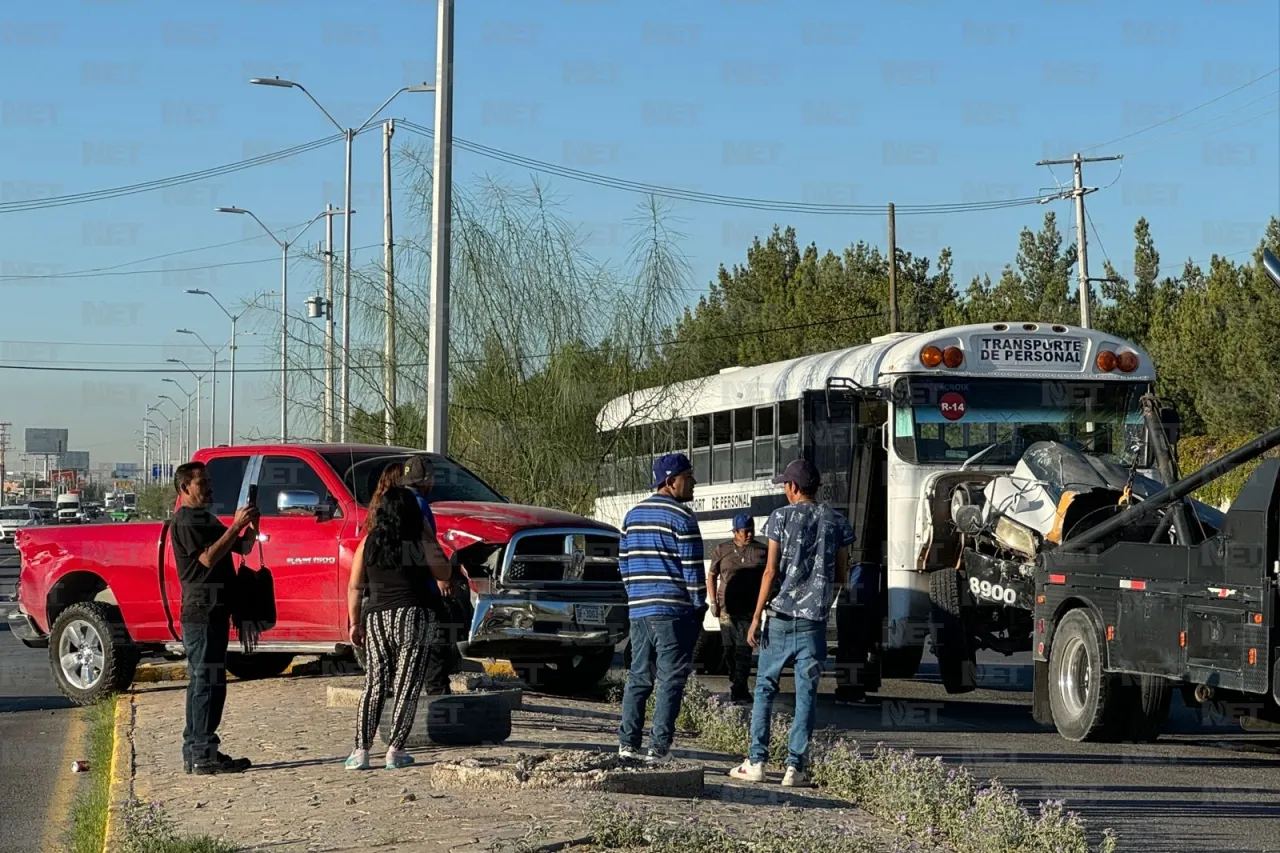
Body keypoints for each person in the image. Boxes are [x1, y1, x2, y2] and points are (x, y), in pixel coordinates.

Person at [729, 458, 854, 788]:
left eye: (785, 484)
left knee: (765, 688)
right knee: (806, 694)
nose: (785, 490)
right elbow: (841, 575)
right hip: (814, 623)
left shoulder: (780, 518)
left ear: (794, 488)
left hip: (781, 618)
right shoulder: (837, 522)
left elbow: (770, 572)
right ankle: (794, 769)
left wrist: (756, 617)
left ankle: (756, 761)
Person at [345, 486, 452, 770]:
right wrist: (429, 534)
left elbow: (355, 586)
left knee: (375, 684)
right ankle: (395, 749)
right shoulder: (418, 540)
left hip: (377, 617)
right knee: (407, 684)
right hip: (416, 615)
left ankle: (360, 750)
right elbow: (444, 573)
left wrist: (354, 621)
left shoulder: (369, 541)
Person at [170, 461, 260, 775]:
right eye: (202, 483)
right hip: (201, 613)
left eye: (208, 481)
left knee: (208, 683)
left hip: (216, 611)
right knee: (206, 684)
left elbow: (241, 547)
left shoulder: (204, 518)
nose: (209, 487)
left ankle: (199, 749)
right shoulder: (185, 521)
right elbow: (207, 558)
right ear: (184, 488)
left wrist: (250, 525)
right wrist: (235, 526)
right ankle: (201, 753)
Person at [617, 452, 705, 765]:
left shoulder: (632, 516)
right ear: (670, 481)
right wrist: (698, 606)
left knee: (639, 676)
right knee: (670, 680)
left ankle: (627, 745)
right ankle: (658, 749)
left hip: (639, 611)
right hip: (673, 611)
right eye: (689, 476)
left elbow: (624, 565)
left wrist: (636, 597)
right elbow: (692, 571)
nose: (694, 482)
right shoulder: (683, 518)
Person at [399, 454, 465, 694]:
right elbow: (427, 543)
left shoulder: (393, 503)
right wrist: (442, 576)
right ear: (426, 479)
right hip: (423, 589)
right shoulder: (419, 504)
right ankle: (441, 706)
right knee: (436, 651)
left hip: (397, 590)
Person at [706, 514, 767, 704]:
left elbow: (771, 575)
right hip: (726, 609)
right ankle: (735, 678)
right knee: (729, 649)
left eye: (751, 530)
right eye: (744, 531)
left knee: (744, 649)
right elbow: (711, 575)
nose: (748, 534)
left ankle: (740, 688)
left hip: (750, 610)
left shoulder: (761, 551)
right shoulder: (722, 549)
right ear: (735, 532)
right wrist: (713, 602)